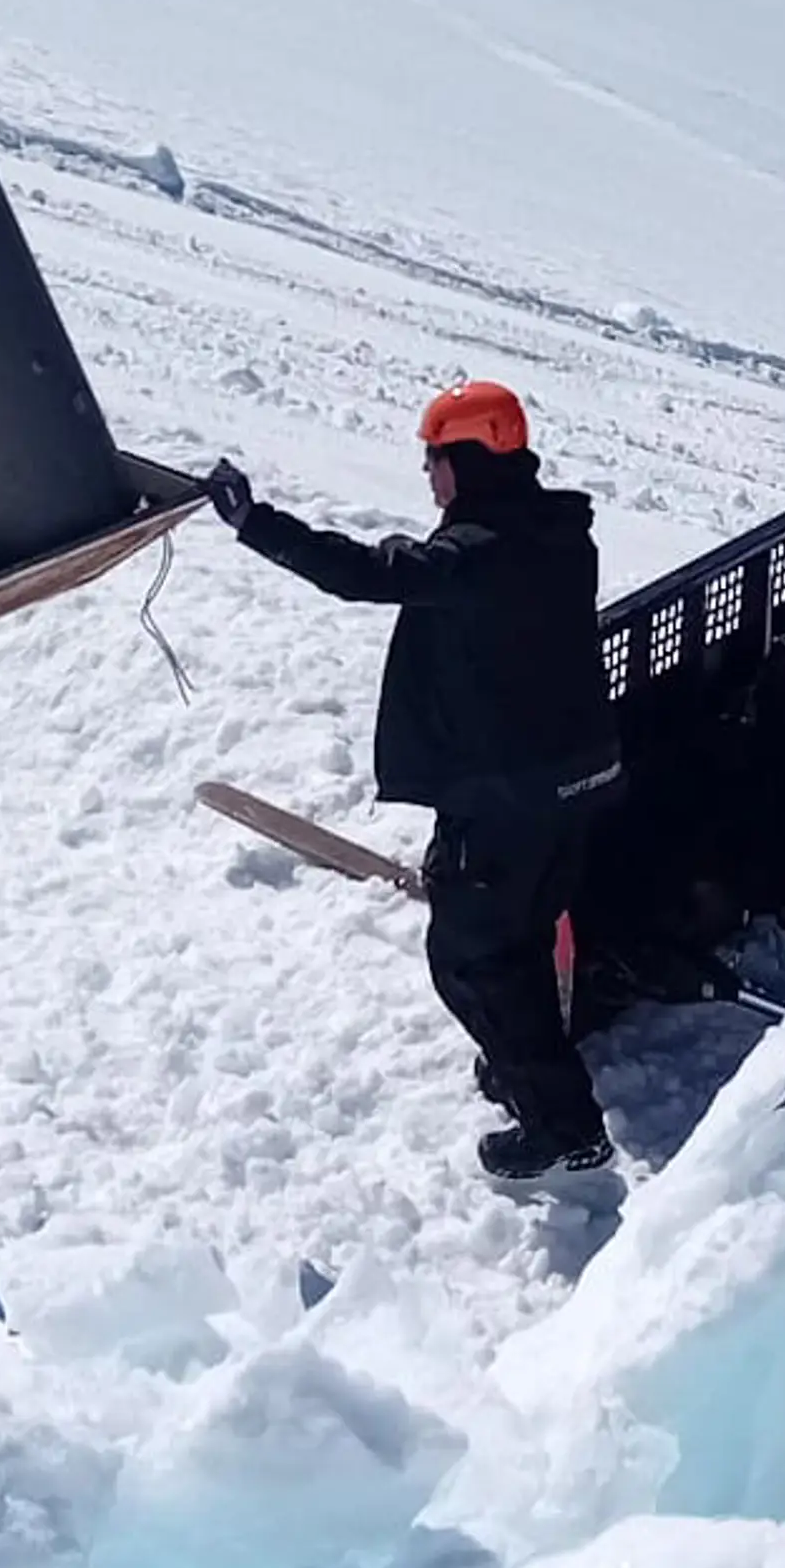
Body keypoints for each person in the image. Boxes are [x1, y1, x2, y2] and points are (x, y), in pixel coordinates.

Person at [209, 384, 619, 1182]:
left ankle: (566, 1129)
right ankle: (521, 1070)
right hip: (575, 783)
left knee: (469, 958)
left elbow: (368, 573)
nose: (428, 476)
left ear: (462, 460)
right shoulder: (560, 535)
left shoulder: (476, 555)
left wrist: (254, 524)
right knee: (518, 939)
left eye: (434, 458)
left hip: (512, 798)